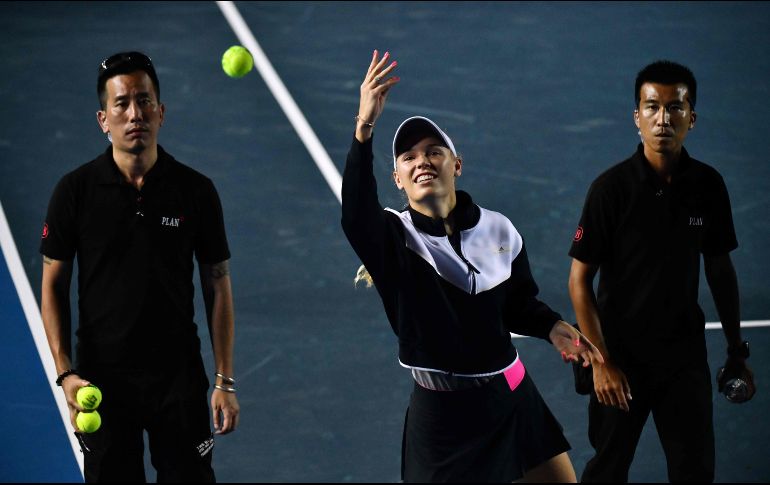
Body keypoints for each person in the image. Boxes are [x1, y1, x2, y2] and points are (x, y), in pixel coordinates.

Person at [341, 50, 604, 483]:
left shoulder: (499, 229)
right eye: (408, 158)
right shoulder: (393, 238)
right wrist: (364, 126)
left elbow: (518, 304)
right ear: (397, 180)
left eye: (433, 151)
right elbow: (355, 213)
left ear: (456, 165)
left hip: (511, 393)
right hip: (442, 416)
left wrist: (553, 327)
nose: (421, 160)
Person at [39, 51, 240, 482]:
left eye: (145, 101)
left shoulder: (196, 191)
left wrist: (225, 379)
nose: (135, 113)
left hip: (178, 378)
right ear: (103, 119)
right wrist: (66, 373)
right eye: (122, 103)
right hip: (102, 384)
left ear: (161, 112)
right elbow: (53, 283)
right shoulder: (74, 192)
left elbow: (217, 282)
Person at [568, 60, 756, 483]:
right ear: (637, 116)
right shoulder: (609, 190)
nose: (663, 118)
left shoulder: (708, 186)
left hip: (682, 358)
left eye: (676, 107)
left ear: (692, 117)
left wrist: (735, 351)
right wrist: (601, 362)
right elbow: (579, 281)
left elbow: (720, 270)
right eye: (652, 107)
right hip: (619, 357)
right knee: (607, 471)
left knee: (694, 472)